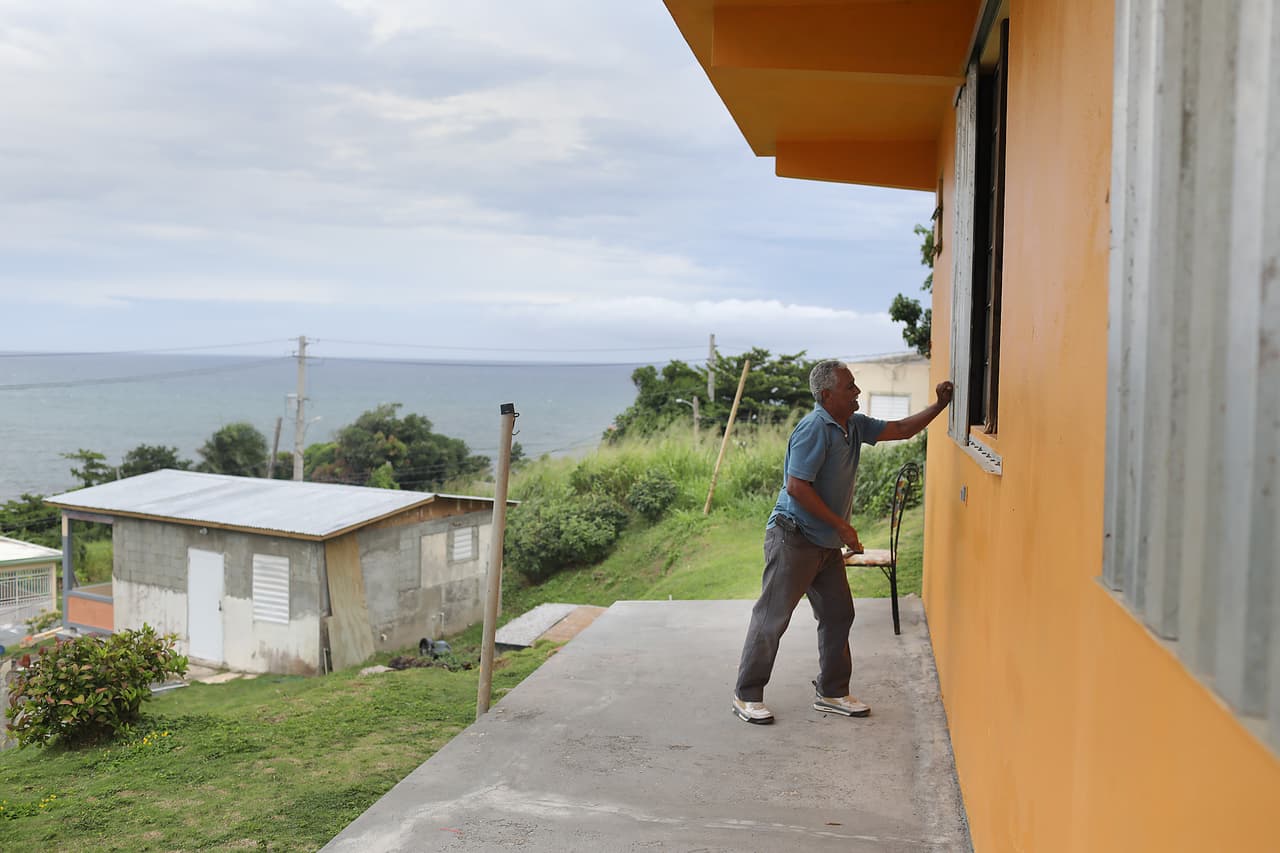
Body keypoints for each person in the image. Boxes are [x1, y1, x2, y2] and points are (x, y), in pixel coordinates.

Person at [732, 360, 953, 724]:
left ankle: (832, 692)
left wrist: (939, 406)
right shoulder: (814, 428)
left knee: (838, 615)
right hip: (794, 537)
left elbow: (900, 429)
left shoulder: (853, 425)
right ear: (827, 395)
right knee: (772, 618)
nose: (857, 393)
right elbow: (796, 486)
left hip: (824, 543)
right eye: (850, 387)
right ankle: (747, 694)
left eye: (855, 385)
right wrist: (843, 528)